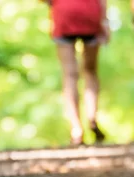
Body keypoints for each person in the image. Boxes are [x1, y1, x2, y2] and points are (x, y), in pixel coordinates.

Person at [44, 0, 109, 145]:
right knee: (90, 71)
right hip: (90, 15)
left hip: (64, 14)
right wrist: (105, 21)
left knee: (69, 75)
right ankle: (92, 118)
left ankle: (76, 128)